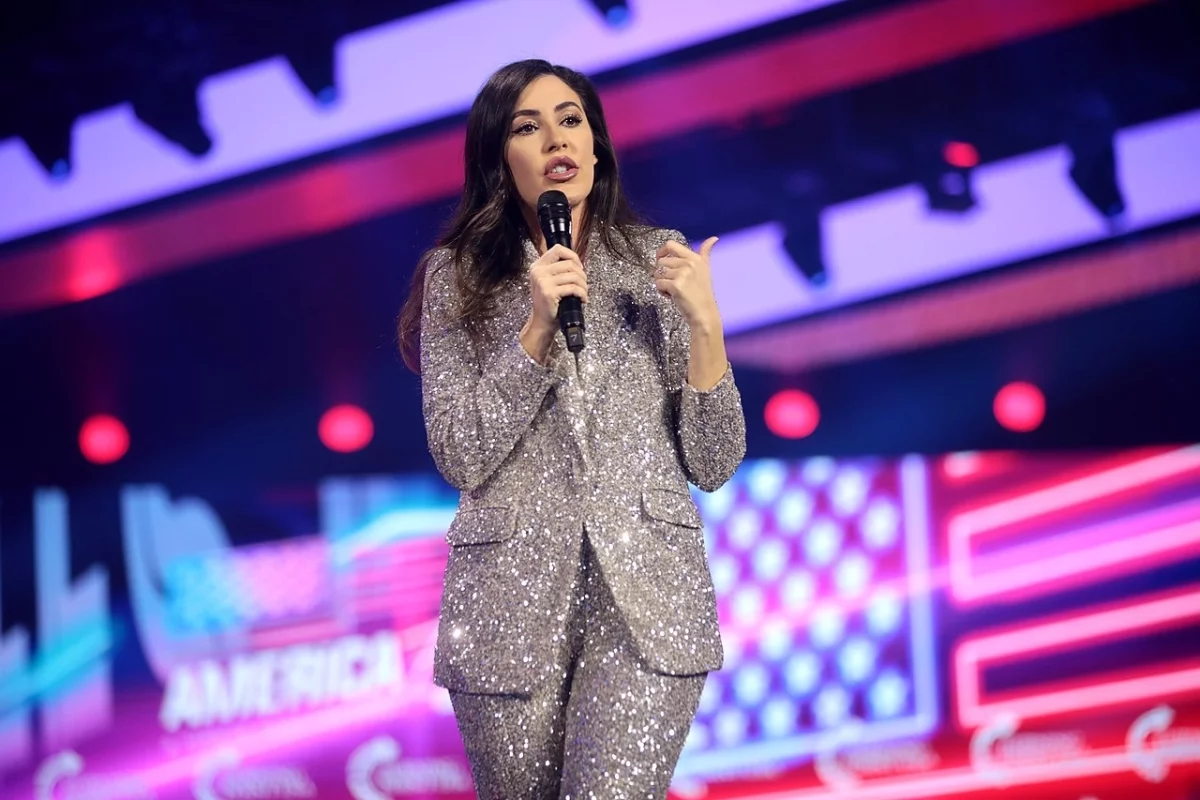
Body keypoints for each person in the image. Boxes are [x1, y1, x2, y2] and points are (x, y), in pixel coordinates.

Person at [397, 59, 746, 798]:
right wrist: (535, 331)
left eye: (570, 120)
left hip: (647, 602)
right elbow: (459, 453)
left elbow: (714, 460)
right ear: (498, 160)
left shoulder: (657, 261)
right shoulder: (456, 276)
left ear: (595, 144)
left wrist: (705, 325)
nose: (557, 139)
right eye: (528, 127)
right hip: (507, 609)